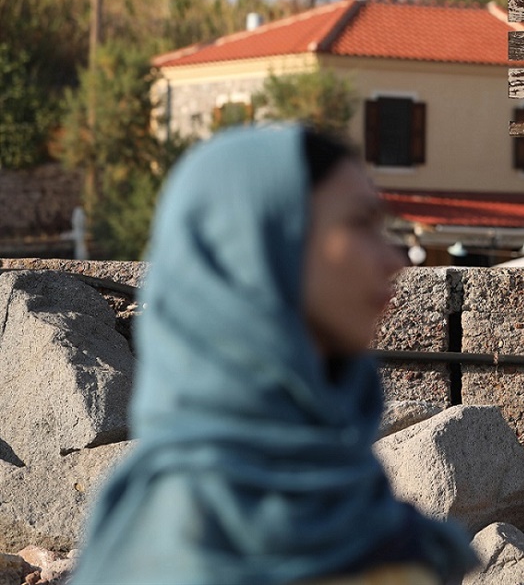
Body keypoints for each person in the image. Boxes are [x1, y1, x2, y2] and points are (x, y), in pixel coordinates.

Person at [73, 125, 478, 585]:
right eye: (360, 223)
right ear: (259, 248)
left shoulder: (354, 496)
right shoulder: (176, 540)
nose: (393, 260)